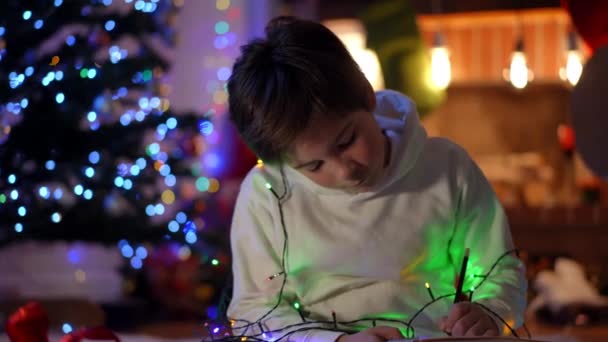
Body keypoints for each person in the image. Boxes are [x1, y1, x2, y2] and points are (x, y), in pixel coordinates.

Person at [225, 16, 526, 342]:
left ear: (368, 94)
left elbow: (499, 269)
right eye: (314, 166)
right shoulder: (266, 194)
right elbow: (254, 312)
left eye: (346, 141)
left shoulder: (446, 168)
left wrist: (490, 310)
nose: (344, 170)